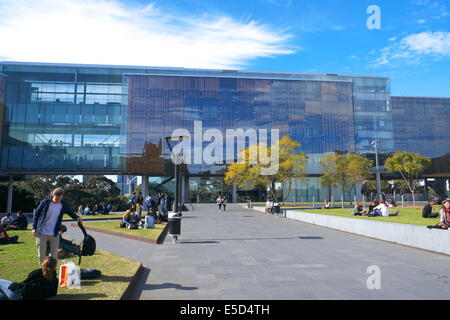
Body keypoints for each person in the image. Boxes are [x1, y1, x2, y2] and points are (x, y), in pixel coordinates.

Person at [32, 188, 83, 264]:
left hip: (54, 233)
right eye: (56, 199)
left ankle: (53, 273)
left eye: (60, 199)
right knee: (42, 255)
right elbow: (36, 215)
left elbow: (70, 212)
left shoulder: (63, 204)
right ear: (52, 195)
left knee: (54, 255)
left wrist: (77, 218)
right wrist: (34, 228)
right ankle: (42, 272)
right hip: (41, 233)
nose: (58, 201)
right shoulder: (45, 203)